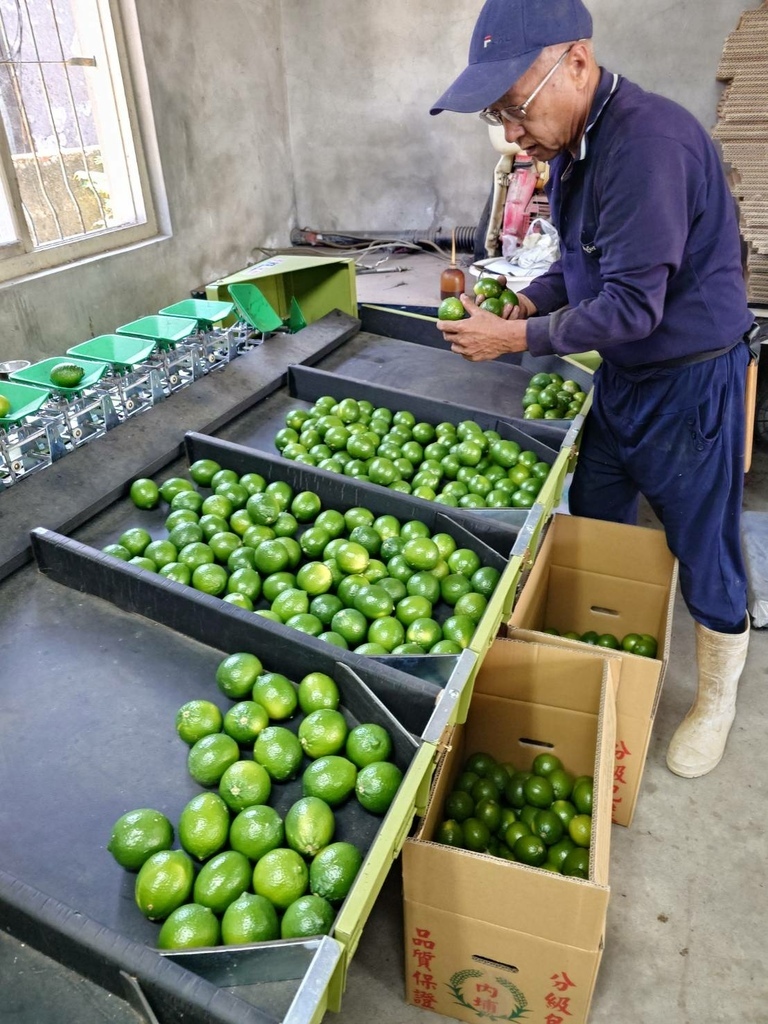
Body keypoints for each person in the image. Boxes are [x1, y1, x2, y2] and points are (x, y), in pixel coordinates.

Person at [431, 0, 756, 779]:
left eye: (515, 106)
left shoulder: (648, 144)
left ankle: (716, 697)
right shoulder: (577, 141)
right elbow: (582, 265)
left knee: (702, 539)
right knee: (599, 508)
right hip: (626, 375)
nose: (512, 132)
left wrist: (514, 339)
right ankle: (607, 643)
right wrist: (530, 301)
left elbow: (635, 307)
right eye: (499, 114)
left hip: (688, 380)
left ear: (576, 61)